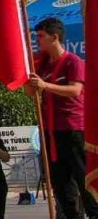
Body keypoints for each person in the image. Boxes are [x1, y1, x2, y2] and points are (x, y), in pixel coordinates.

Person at [27, 17, 97, 219]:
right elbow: (30, 93)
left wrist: (45, 86)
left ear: (54, 37)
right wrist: (28, 74)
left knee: (83, 179)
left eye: (41, 36)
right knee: (61, 184)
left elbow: (75, 90)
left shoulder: (72, 61)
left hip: (73, 129)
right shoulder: (42, 64)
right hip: (51, 131)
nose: (37, 40)